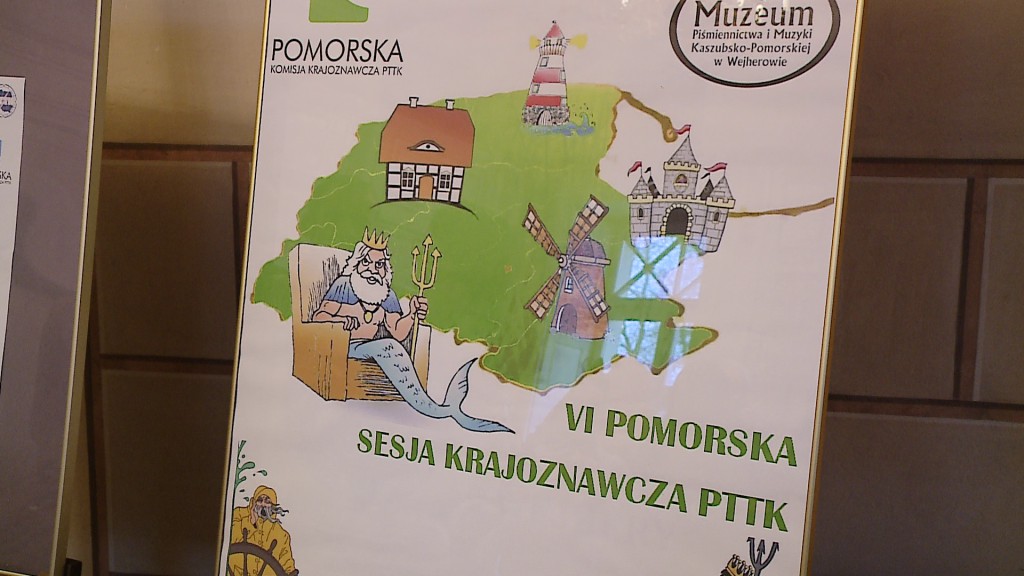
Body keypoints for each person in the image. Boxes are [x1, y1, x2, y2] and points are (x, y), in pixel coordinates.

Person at [312, 229, 512, 433]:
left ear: (385, 269)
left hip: (369, 349)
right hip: (341, 346)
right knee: (387, 346)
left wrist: (412, 313)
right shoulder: (345, 285)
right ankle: (433, 407)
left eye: (379, 265)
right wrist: (342, 319)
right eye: (366, 262)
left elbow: (398, 332)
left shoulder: (385, 295)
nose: (372, 269)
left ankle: (435, 407)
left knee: (389, 345)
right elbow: (319, 316)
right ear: (356, 262)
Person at [228, 486, 297, 576]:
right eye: (260, 500)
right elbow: (228, 541)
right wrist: (250, 523)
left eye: (267, 502)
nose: (263, 504)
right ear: (253, 502)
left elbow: (287, 566)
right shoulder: (238, 515)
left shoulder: (282, 535)